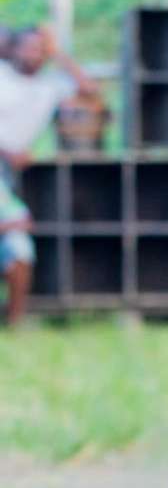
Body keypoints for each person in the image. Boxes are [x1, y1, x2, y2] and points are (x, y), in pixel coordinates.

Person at [0, 25, 97, 325]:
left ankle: (14, 323)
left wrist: (58, 53)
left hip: (12, 173)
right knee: (14, 222)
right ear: (12, 49)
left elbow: (89, 91)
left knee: (19, 246)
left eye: (40, 49)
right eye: (28, 47)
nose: (34, 54)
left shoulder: (50, 85)